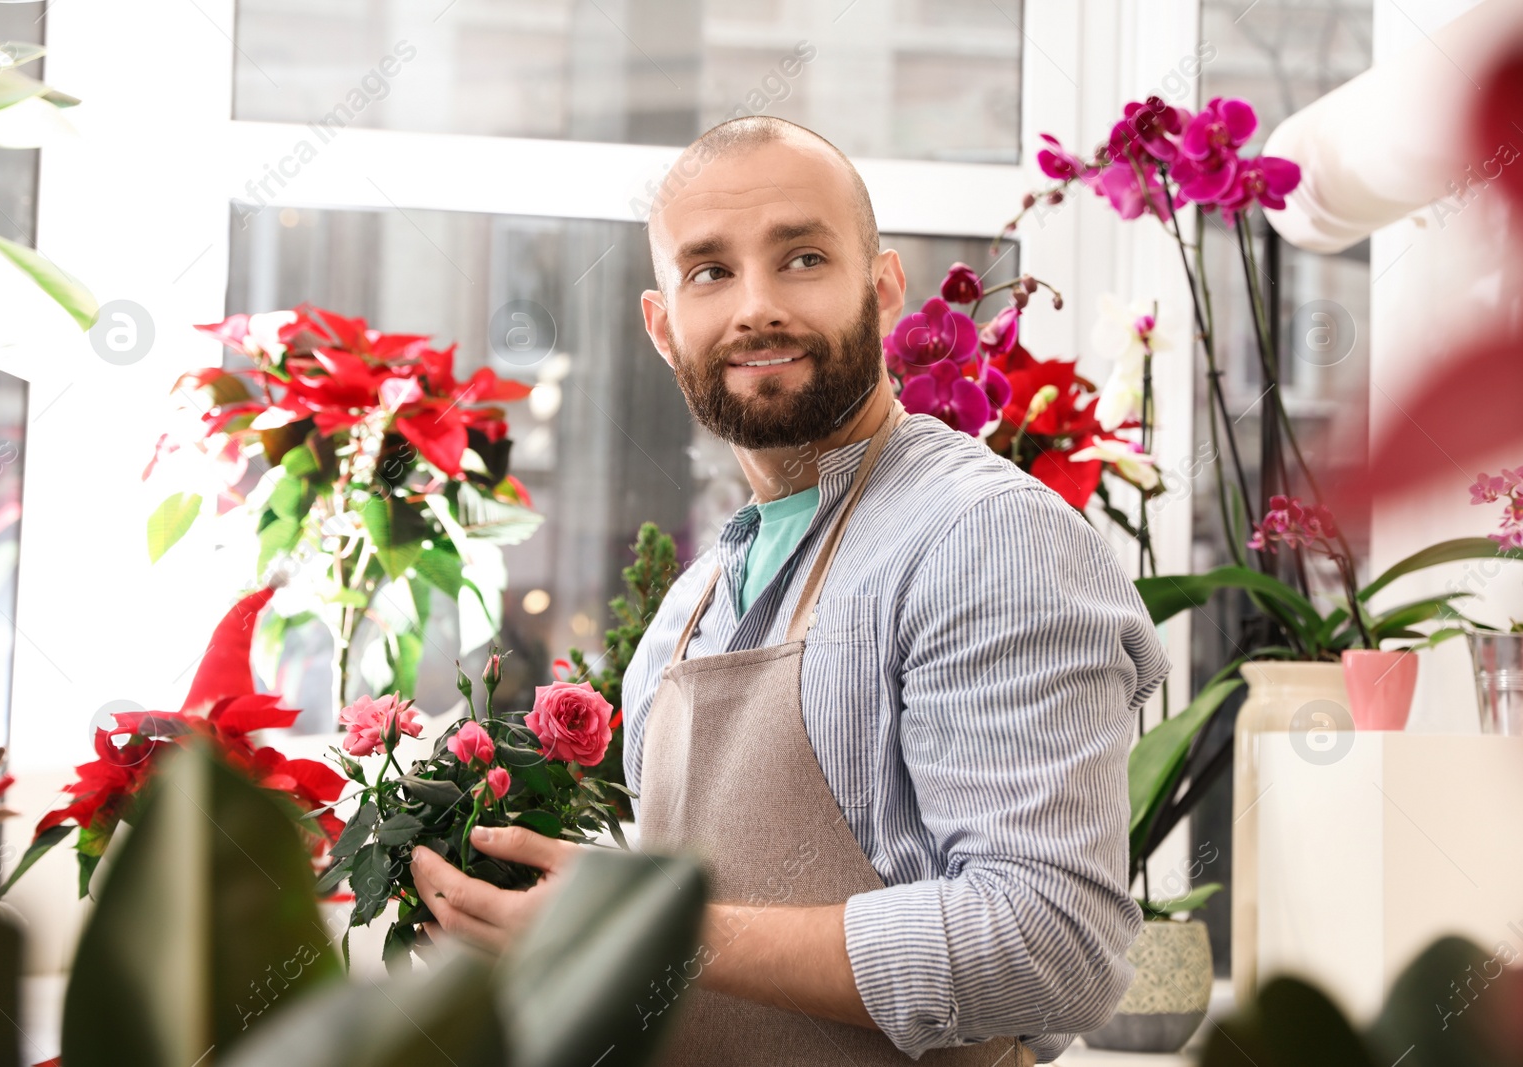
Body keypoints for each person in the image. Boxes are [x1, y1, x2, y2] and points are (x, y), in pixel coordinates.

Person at [410, 115, 1169, 1065]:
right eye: (709, 272)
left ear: (884, 288)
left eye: (802, 257)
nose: (754, 307)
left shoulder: (984, 538)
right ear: (661, 325)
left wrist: (649, 925)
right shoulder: (690, 610)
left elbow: (1054, 946)